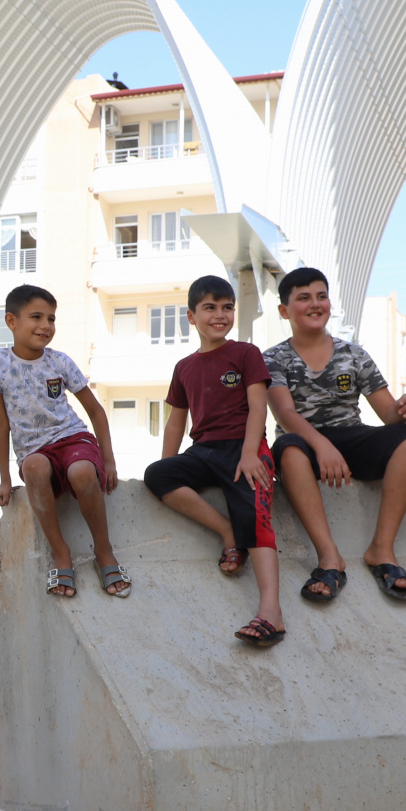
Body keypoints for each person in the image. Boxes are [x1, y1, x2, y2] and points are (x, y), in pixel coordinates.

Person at [264, 267, 406, 604]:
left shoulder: (354, 354)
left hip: (352, 436)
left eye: (321, 296)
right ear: (284, 310)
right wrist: (322, 446)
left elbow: (388, 415)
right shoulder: (273, 358)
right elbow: (285, 414)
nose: (315, 304)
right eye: (304, 298)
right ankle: (329, 559)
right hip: (303, 442)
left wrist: (405, 408)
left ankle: (382, 551)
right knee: (288, 448)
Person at [144, 275, 284, 646]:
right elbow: (176, 420)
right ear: (191, 316)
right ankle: (226, 533)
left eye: (226, 308)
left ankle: (271, 611)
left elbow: (258, 406)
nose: (219, 315)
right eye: (209, 308)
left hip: (244, 447)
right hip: (203, 452)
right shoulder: (185, 367)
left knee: (255, 519)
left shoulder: (245, 353)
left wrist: (251, 454)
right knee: (157, 475)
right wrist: (170, 463)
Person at [0, 284, 131, 600]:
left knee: (81, 473)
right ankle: (60, 554)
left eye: (51, 319)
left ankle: (104, 552)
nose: (46, 326)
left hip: (72, 439)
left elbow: (95, 410)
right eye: (36, 317)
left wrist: (108, 459)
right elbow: (0, 423)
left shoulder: (60, 362)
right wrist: (5, 479)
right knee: (35, 466)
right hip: (34, 450)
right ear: (11, 321)